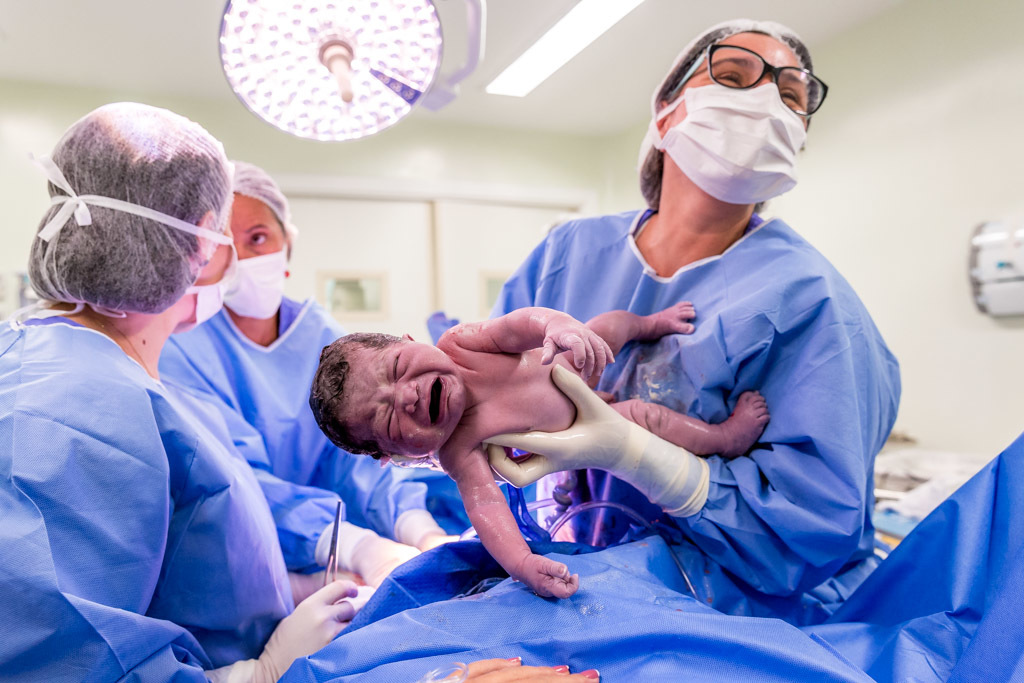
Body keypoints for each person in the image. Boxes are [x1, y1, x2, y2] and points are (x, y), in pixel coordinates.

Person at [487, 19, 901, 626]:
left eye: (791, 97)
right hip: (558, 568)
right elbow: (493, 397)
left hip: (723, 609)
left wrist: (653, 462)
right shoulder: (567, 254)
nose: (764, 105)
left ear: (799, 138)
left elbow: (813, 526)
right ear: (665, 115)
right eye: (733, 78)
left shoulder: (813, 301)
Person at [0, 103, 369, 682]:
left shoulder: (107, 377)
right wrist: (259, 673)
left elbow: (174, 570)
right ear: (197, 243)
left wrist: (287, 596)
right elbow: (54, 657)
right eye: (225, 233)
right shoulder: (74, 406)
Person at [307, 304, 770, 598]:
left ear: (410, 341)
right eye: (389, 419)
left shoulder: (462, 346)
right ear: (396, 457)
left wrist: (559, 326)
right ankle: (725, 439)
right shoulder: (458, 450)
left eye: (399, 367)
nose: (405, 395)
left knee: (607, 326)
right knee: (649, 422)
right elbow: (485, 506)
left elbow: (517, 326)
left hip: (573, 363)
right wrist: (523, 564)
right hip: (577, 432)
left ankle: (652, 322)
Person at [159, 161, 454, 589]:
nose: (243, 258)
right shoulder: (183, 347)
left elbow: (364, 460)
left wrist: (420, 531)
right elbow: (231, 480)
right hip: (240, 573)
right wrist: (356, 546)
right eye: (225, 242)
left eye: (258, 237)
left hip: (343, 567)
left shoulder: (327, 340)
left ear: (287, 246)